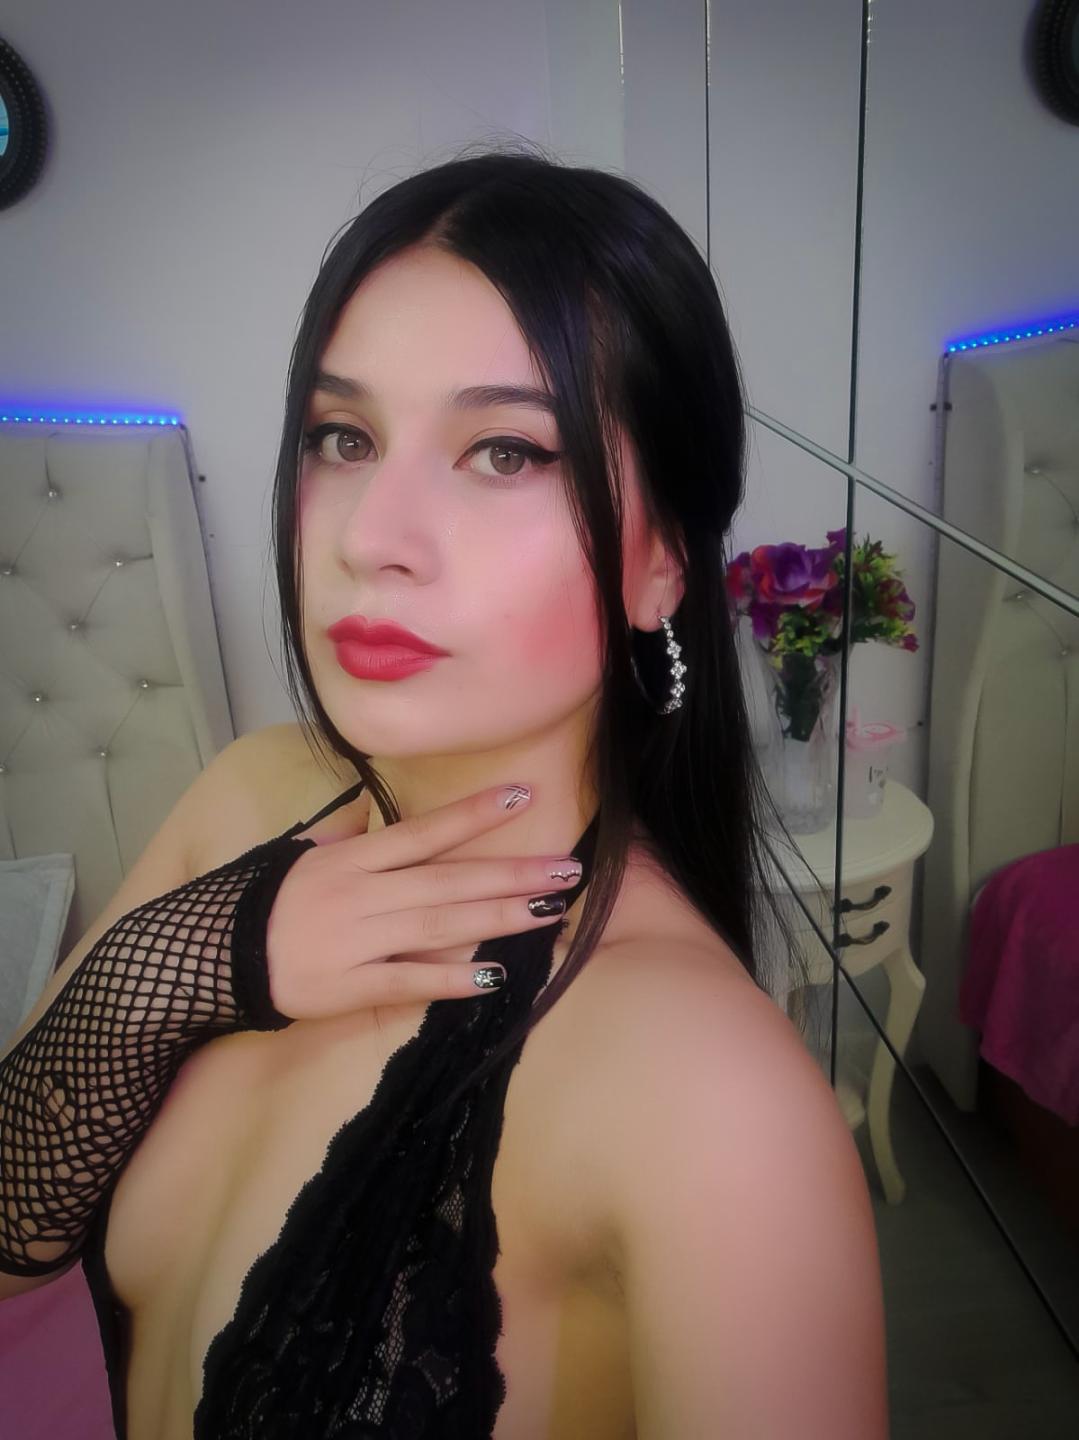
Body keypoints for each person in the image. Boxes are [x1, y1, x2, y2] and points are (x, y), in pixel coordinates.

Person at [0, 140, 888, 1438]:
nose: (369, 538)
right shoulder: (246, 796)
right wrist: (195, 957)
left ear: (660, 562)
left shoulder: (712, 1105)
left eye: (506, 452)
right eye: (343, 437)